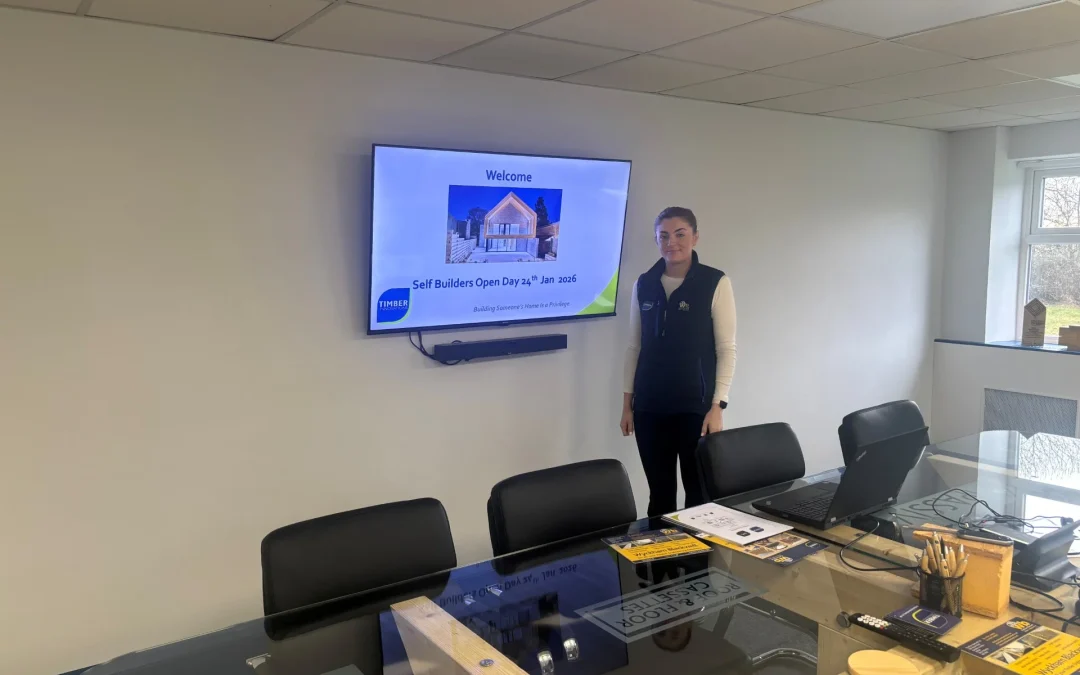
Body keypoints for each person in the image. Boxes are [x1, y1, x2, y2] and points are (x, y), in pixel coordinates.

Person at [620, 207, 736, 517]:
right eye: (664, 236)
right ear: (656, 240)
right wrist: (627, 405)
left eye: (680, 234)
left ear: (695, 237)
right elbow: (634, 347)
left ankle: (697, 565)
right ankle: (662, 565)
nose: (672, 242)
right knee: (660, 496)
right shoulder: (644, 284)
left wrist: (718, 406)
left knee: (698, 496)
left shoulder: (714, 282)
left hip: (695, 410)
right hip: (649, 409)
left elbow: (726, 349)